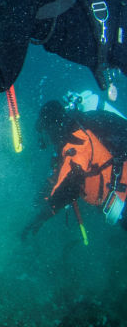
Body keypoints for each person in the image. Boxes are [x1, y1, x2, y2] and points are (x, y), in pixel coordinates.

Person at [23, 99, 127, 237]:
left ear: (53, 125)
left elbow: (71, 184)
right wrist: (43, 194)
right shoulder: (70, 137)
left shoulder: (75, 138)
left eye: (46, 132)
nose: (46, 140)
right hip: (118, 199)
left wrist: (43, 215)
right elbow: (60, 174)